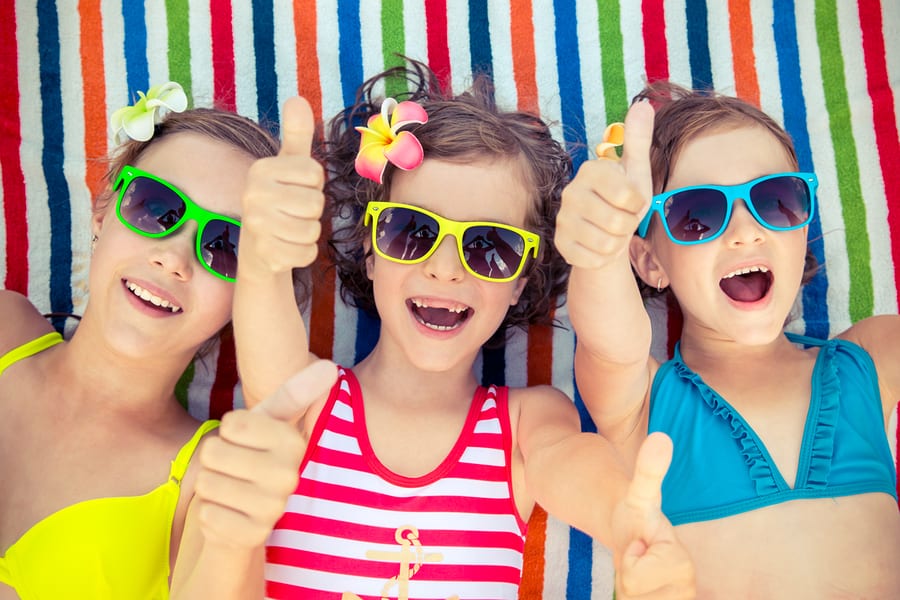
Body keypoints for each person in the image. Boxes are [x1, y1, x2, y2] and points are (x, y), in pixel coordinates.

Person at [225, 60, 695, 599]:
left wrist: (624, 519)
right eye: (411, 231)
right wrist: (262, 252)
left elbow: (571, 465)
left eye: (489, 246)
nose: (444, 269)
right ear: (370, 252)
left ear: (520, 281)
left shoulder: (525, 423)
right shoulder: (305, 402)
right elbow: (264, 323)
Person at [554, 80, 900, 598]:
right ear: (650, 260)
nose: (744, 231)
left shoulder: (871, 355)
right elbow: (609, 337)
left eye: (776, 199)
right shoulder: (647, 404)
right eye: (698, 215)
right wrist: (597, 252)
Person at [0, 83, 320, 600]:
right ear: (103, 213)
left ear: (246, 299)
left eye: (226, 245)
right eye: (156, 208)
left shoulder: (209, 478)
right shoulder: (4, 324)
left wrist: (231, 543)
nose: (174, 257)